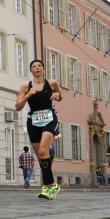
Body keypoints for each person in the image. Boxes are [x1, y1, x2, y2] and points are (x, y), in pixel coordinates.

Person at [15, 59, 63, 200]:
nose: (37, 68)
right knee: (41, 157)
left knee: (43, 151)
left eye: (39, 66)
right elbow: (18, 106)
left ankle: (48, 186)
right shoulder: (25, 86)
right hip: (33, 121)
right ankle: (51, 184)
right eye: (34, 66)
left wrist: (57, 95)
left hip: (49, 119)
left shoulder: (51, 83)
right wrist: (28, 95)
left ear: (43, 69)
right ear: (31, 70)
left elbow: (60, 96)